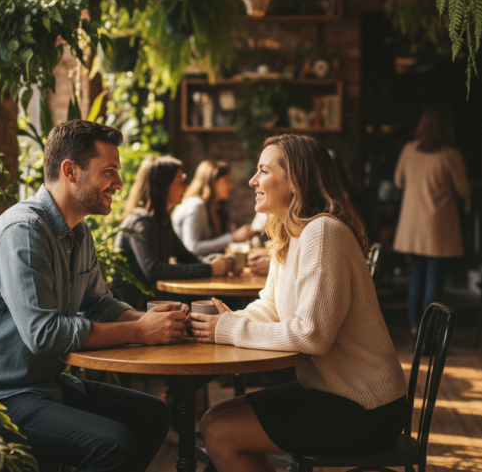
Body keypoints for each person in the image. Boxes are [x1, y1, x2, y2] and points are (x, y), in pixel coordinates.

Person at [0, 120, 186, 472]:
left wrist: (152, 321)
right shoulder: (22, 231)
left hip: (39, 386)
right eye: (109, 171)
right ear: (70, 171)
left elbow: (99, 303)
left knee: (151, 415)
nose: (118, 183)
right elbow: (44, 334)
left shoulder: (78, 232)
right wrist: (141, 331)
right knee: (112, 444)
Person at [190, 134, 408, 472]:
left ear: (295, 181)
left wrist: (231, 329)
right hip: (331, 391)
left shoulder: (322, 233)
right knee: (211, 419)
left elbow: (312, 336)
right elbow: (271, 305)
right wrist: (228, 320)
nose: (252, 180)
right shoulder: (292, 233)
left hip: (364, 405)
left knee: (220, 433)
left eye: (263, 171)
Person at [112, 155, 231, 309]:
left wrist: (214, 261)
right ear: (163, 185)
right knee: (210, 301)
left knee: (214, 300)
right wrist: (209, 268)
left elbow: (186, 257)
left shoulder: (161, 220)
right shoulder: (141, 221)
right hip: (132, 305)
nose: (186, 187)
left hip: (152, 297)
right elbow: (155, 270)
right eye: (180, 181)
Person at [393, 103, 471, 336]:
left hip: (412, 228)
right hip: (438, 229)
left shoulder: (409, 150)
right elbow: (463, 190)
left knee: (417, 277)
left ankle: (415, 328)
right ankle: (430, 333)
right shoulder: (451, 155)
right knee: (435, 280)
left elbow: (398, 181)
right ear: (447, 128)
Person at [172, 160, 253, 256]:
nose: (231, 185)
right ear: (213, 182)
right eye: (226, 180)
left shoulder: (214, 206)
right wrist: (232, 237)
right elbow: (192, 248)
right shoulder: (196, 206)